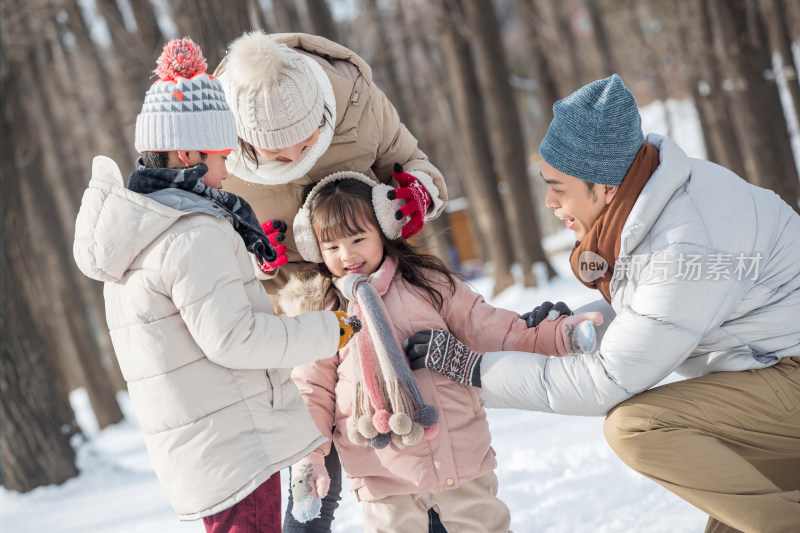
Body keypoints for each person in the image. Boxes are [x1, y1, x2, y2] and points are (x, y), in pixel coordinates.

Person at [405, 74, 800, 533]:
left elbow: (607, 382)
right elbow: (658, 311)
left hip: (786, 377)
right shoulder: (657, 195)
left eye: (560, 187)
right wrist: (574, 329)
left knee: (637, 427)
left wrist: (475, 369)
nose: (550, 202)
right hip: (771, 374)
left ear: (607, 186)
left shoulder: (684, 242)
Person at [72, 38, 359, 532]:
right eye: (221, 155)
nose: (227, 171)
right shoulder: (191, 233)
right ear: (188, 152)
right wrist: (330, 330)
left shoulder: (139, 232)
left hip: (207, 451)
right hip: (237, 447)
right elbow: (235, 338)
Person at [213, 30, 449, 531]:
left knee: (410, 435)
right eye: (278, 154)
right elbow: (207, 254)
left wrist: (418, 196)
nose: (296, 155)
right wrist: (252, 258)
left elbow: (420, 167)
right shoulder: (211, 151)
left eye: (305, 143)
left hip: (379, 294)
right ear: (243, 141)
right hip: (293, 311)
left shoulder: (358, 105)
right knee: (312, 447)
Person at [277, 172, 602, 533]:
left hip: (461, 467)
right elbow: (311, 392)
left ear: (384, 229)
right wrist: (309, 457)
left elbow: (492, 329)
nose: (347, 255)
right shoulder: (322, 315)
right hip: (385, 485)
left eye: (357, 239)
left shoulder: (428, 286)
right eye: (332, 247)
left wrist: (557, 336)